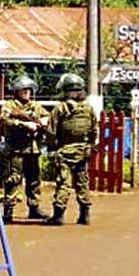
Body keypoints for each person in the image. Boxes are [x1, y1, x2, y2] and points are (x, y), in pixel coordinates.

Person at [46, 73, 98, 226]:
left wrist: (52, 148)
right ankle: (85, 214)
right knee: (82, 182)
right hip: (83, 150)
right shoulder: (88, 108)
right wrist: (89, 145)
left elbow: (51, 131)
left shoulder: (60, 108)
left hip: (66, 151)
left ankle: (58, 215)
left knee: (64, 182)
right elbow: (94, 130)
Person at [0, 75, 49, 223]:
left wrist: (44, 121)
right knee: (13, 179)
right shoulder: (10, 105)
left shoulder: (36, 106)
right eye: (23, 90)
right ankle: (8, 211)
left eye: (28, 89)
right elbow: (5, 120)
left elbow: (47, 116)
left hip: (33, 149)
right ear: (17, 91)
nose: (26, 92)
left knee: (34, 180)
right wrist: (24, 124)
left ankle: (34, 208)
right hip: (16, 149)